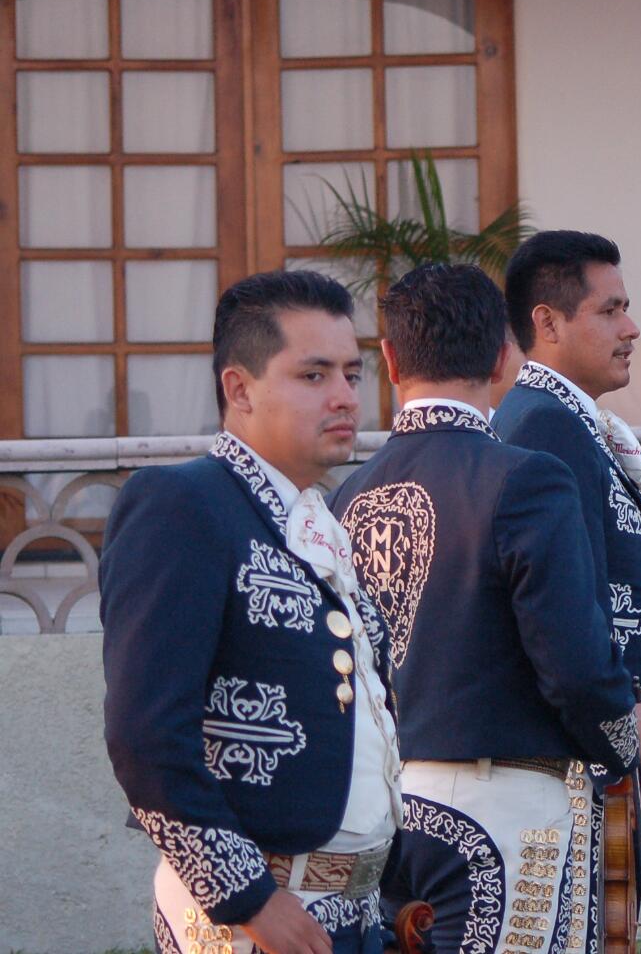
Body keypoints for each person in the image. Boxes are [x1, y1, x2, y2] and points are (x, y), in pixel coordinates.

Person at [331, 263, 641, 954]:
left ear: (390, 360)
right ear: (507, 356)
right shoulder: (526, 478)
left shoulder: (346, 497)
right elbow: (574, 663)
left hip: (377, 802)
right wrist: (626, 743)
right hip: (498, 805)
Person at [102, 270, 400, 954]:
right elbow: (146, 735)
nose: (345, 396)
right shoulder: (183, 504)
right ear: (239, 389)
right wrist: (249, 898)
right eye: (314, 375)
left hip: (352, 910)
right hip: (249, 917)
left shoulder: (318, 520)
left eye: (352, 374)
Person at [493, 231, 641, 829]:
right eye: (610, 310)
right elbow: (569, 611)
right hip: (601, 759)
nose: (631, 328)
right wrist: (623, 760)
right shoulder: (546, 425)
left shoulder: (569, 419)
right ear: (548, 322)